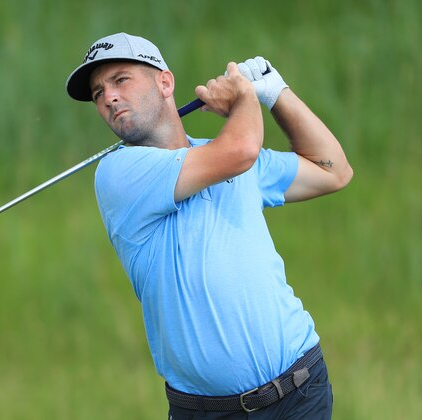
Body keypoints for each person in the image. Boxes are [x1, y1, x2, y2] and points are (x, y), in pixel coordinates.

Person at [66, 32, 352, 419]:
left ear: (164, 82)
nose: (109, 97)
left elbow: (332, 170)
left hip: (301, 389)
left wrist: (276, 93)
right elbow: (240, 150)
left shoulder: (225, 155)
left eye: (120, 80)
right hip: (209, 412)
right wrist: (244, 98)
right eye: (99, 93)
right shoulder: (119, 173)